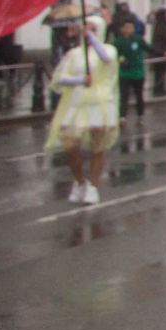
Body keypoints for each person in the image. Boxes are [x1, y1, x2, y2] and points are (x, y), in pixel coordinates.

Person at [46, 15, 120, 204]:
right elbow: (59, 78)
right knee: (70, 145)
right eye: (86, 28)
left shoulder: (109, 49)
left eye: (94, 28)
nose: (88, 32)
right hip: (78, 103)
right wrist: (80, 80)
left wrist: (92, 38)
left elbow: (105, 58)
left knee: (98, 147)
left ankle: (93, 187)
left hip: (100, 103)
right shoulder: (75, 54)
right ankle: (80, 181)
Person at [111, 19, 159, 119]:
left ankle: (140, 113)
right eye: (127, 27)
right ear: (122, 29)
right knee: (124, 95)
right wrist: (121, 60)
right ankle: (122, 115)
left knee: (139, 94)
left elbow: (149, 48)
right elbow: (115, 54)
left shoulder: (138, 39)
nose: (130, 29)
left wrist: (163, 53)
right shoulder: (118, 41)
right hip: (124, 73)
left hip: (138, 72)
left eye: (131, 27)